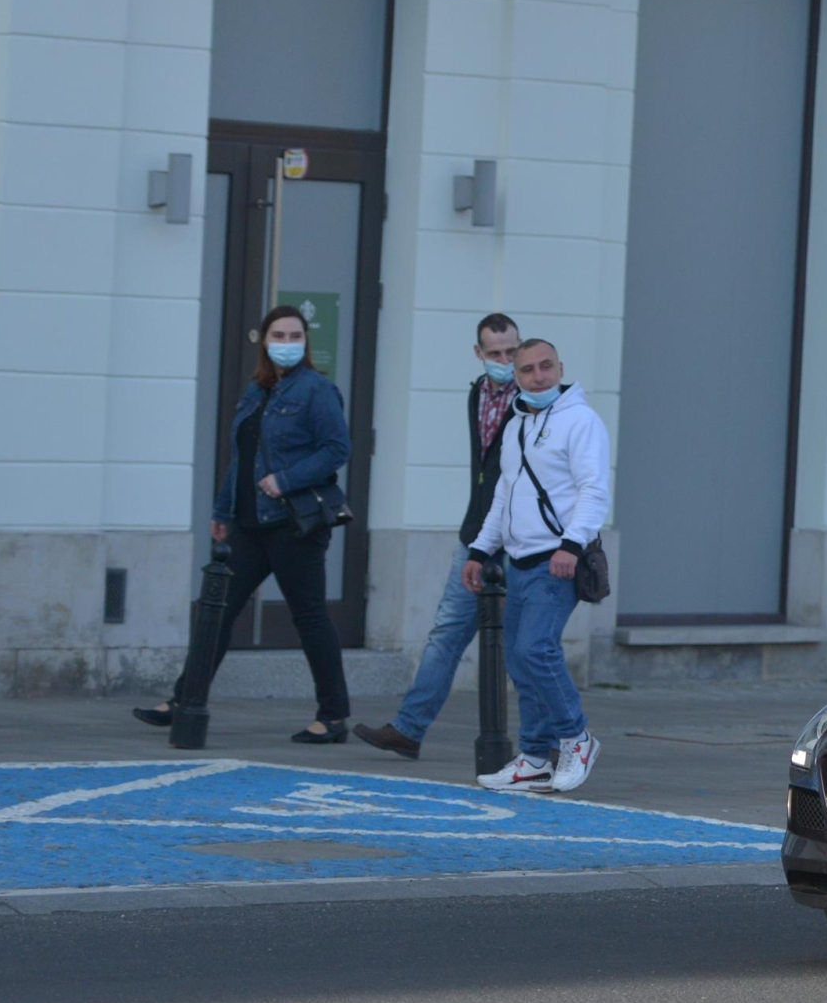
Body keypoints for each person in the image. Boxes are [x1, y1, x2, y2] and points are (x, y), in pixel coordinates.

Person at [132, 306, 351, 742]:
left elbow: (336, 449)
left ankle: (333, 716)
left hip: (293, 525)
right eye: (279, 335)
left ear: (305, 343)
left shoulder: (317, 390)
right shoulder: (257, 392)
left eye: (295, 336)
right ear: (264, 341)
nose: (287, 344)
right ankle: (184, 700)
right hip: (250, 523)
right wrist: (222, 511)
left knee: (309, 618)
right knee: (217, 611)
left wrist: (285, 480)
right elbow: (242, 459)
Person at [354, 315, 521, 760]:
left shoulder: (536, 399)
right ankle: (408, 729)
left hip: (524, 542)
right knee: (447, 634)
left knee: (528, 646)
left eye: (512, 352)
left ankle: (555, 743)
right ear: (479, 353)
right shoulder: (476, 394)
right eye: (496, 353)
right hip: (478, 535)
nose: (506, 361)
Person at [468, 339, 611, 793]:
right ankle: (534, 757)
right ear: (517, 375)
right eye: (527, 369)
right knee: (519, 659)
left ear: (560, 367)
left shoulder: (581, 420)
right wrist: (478, 550)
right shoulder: (516, 425)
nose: (538, 376)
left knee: (536, 650)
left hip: (559, 560)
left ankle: (576, 737)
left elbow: (594, 490)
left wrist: (571, 544)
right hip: (518, 560)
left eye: (546, 366)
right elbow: (503, 496)